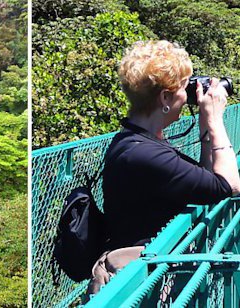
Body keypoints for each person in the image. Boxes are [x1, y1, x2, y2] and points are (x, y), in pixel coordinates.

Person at [85, 40, 240, 298]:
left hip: (152, 272)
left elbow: (206, 177)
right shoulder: (145, 154)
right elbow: (229, 185)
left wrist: (204, 123)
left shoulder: (137, 141)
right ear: (165, 98)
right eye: (184, 87)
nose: (188, 94)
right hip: (143, 283)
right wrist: (215, 119)